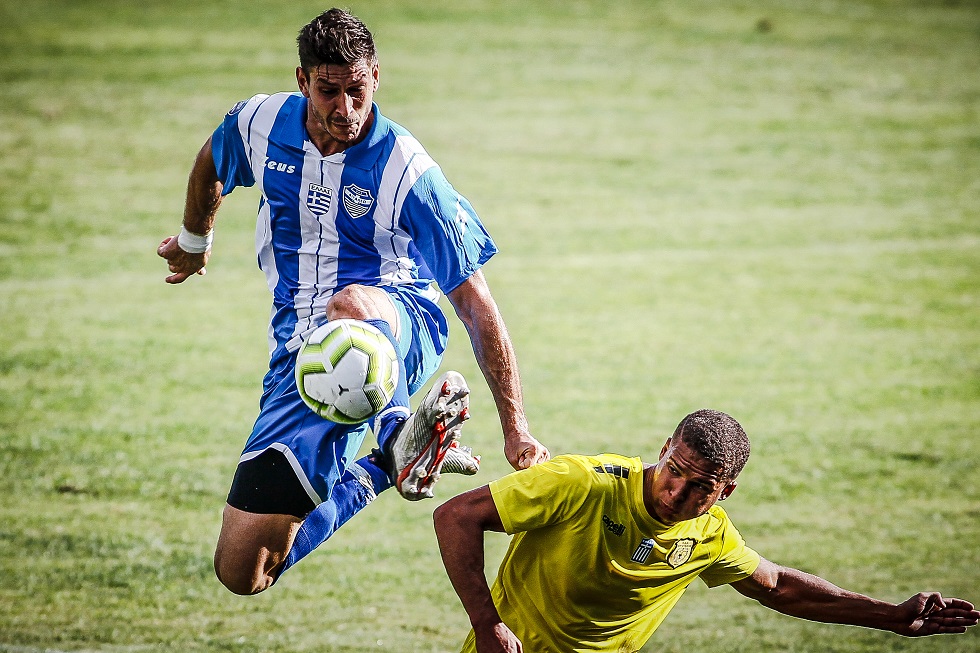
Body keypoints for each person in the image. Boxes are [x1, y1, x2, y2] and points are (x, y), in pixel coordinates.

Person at [156, 8, 549, 596]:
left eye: (357, 91)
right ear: (302, 81)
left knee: (349, 309)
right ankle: (387, 463)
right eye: (328, 91)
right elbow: (213, 160)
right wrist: (193, 241)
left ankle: (394, 427)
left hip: (398, 319)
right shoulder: (260, 124)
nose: (344, 109)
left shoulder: (407, 172)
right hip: (302, 358)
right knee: (244, 571)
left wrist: (515, 429)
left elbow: (476, 303)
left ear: (376, 79)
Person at [434, 409, 979, 652]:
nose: (677, 494)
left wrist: (892, 616)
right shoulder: (585, 483)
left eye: (700, 488)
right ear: (663, 452)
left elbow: (778, 587)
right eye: (674, 471)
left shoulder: (711, 534)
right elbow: (455, 516)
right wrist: (487, 625)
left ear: (725, 493)